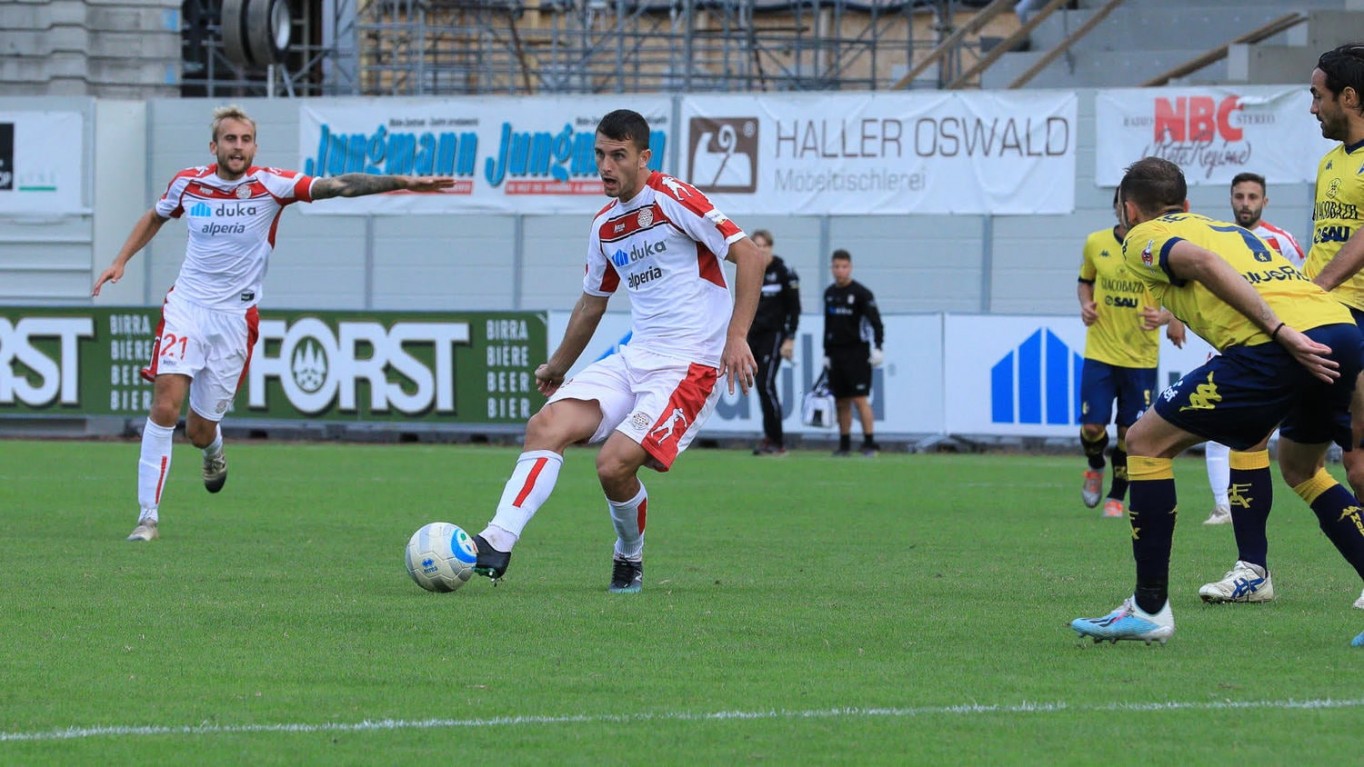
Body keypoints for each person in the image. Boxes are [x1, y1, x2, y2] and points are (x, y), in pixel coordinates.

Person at [91, 105, 455, 543]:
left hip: (234, 319)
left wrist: (403, 182)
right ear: (214, 146)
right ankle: (147, 517)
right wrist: (120, 261)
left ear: (255, 147)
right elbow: (155, 215)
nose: (238, 147)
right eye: (230, 139)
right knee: (165, 405)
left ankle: (213, 447)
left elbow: (339, 186)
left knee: (199, 431)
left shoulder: (271, 185)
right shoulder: (188, 183)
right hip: (186, 308)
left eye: (245, 140)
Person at [1071, 156, 1364, 646]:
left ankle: (1148, 608)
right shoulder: (1220, 228)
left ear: (1129, 210)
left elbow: (1202, 265)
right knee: (1300, 467)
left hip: (1278, 345)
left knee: (1143, 442)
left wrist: (1278, 330)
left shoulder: (1142, 236)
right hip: (1339, 329)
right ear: (1185, 203)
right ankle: (1249, 569)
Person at [468, 109, 763, 594]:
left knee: (613, 465)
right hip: (635, 357)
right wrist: (558, 366)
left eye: (619, 156)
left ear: (644, 157)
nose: (606, 167)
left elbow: (749, 254)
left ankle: (629, 554)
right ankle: (497, 540)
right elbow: (592, 303)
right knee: (546, 425)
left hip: (689, 365)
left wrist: (737, 337)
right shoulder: (605, 225)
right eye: (600, 155)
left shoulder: (673, 198)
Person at [1202, 172, 1308, 526]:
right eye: (1239, 196)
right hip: (1229, 342)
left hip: (1274, 346)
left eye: (1252, 197)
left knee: (1269, 433)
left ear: (1265, 201)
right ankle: (1224, 507)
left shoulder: (1283, 242)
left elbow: (1304, 290)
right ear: (1231, 199)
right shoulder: (1216, 239)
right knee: (1218, 428)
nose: (1245, 203)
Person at [1077, 190, 1185, 519]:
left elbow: (1180, 289)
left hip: (1140, 357)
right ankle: (1095, 464)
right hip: (1100, 352)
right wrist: (1086, 304)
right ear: (1118, 208)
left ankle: (1116, 496)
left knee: (1129, 432)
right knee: (1093, 426)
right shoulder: (1096, 242)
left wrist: (1169, 318)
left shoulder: (1156, 247)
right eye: (1122, 204)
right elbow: (1085, 281)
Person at [823, 249, 884, 457]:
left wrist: (878, 347)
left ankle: (869, 442)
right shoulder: (829, 294)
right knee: (841, 401)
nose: (840, 270)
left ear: (850, 268)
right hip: (836, 353)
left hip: (857, 353)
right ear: (832, 268)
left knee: (859, 399)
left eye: (844, 266)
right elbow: (828, 326)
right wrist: (826, 353)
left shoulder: (862, 294)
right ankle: (844, 444)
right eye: (836, 267)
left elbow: (876, 323)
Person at [746, 229, 801, 456]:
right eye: (756, 246)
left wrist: (790, 338)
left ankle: (777, 441)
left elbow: (795, 308)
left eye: (763, 246)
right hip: (754, 335)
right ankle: (770, 437)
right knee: (762, 387)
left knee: (766, 385)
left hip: (774, 335)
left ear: (770, 247)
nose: (760, 250)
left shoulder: (784, 271)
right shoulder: (750, 270)